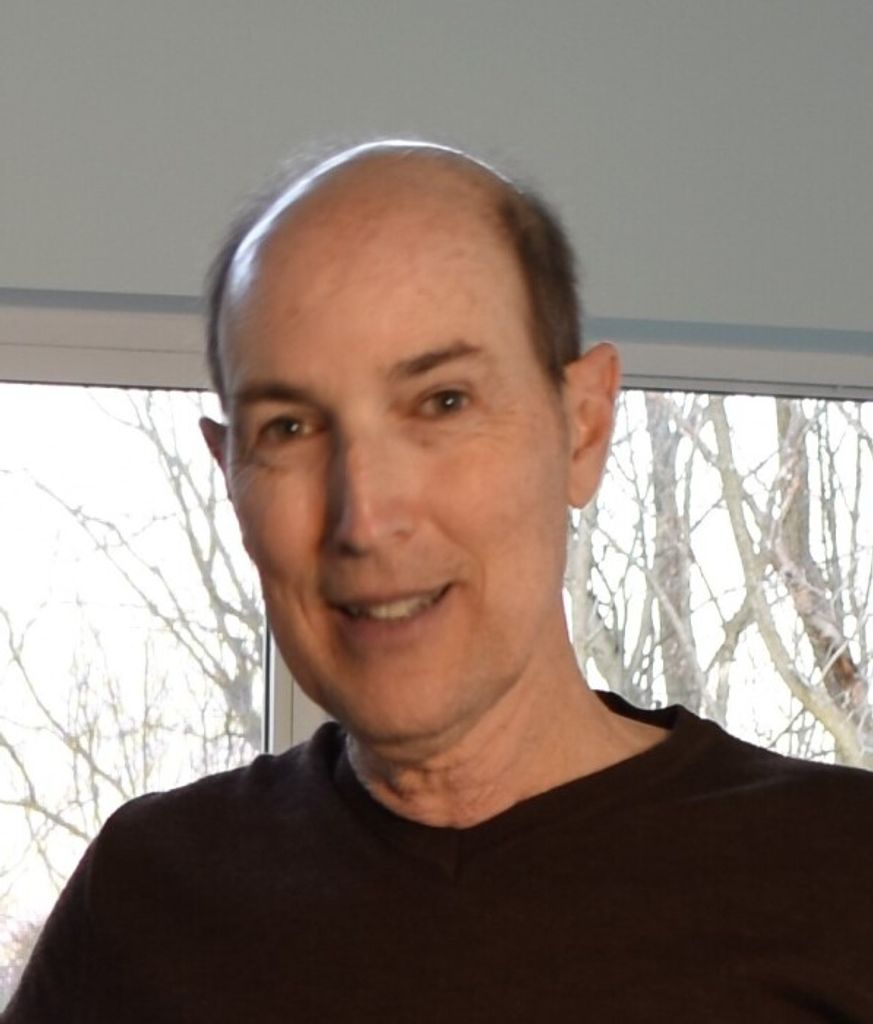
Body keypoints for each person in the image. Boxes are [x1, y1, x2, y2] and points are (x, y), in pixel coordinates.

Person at [5, 140, 873, 1023]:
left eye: (443, 402)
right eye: (290, 427)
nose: (365, 516)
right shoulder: (145, 899)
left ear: (582, 428)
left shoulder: (845, 873)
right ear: (230, 476)